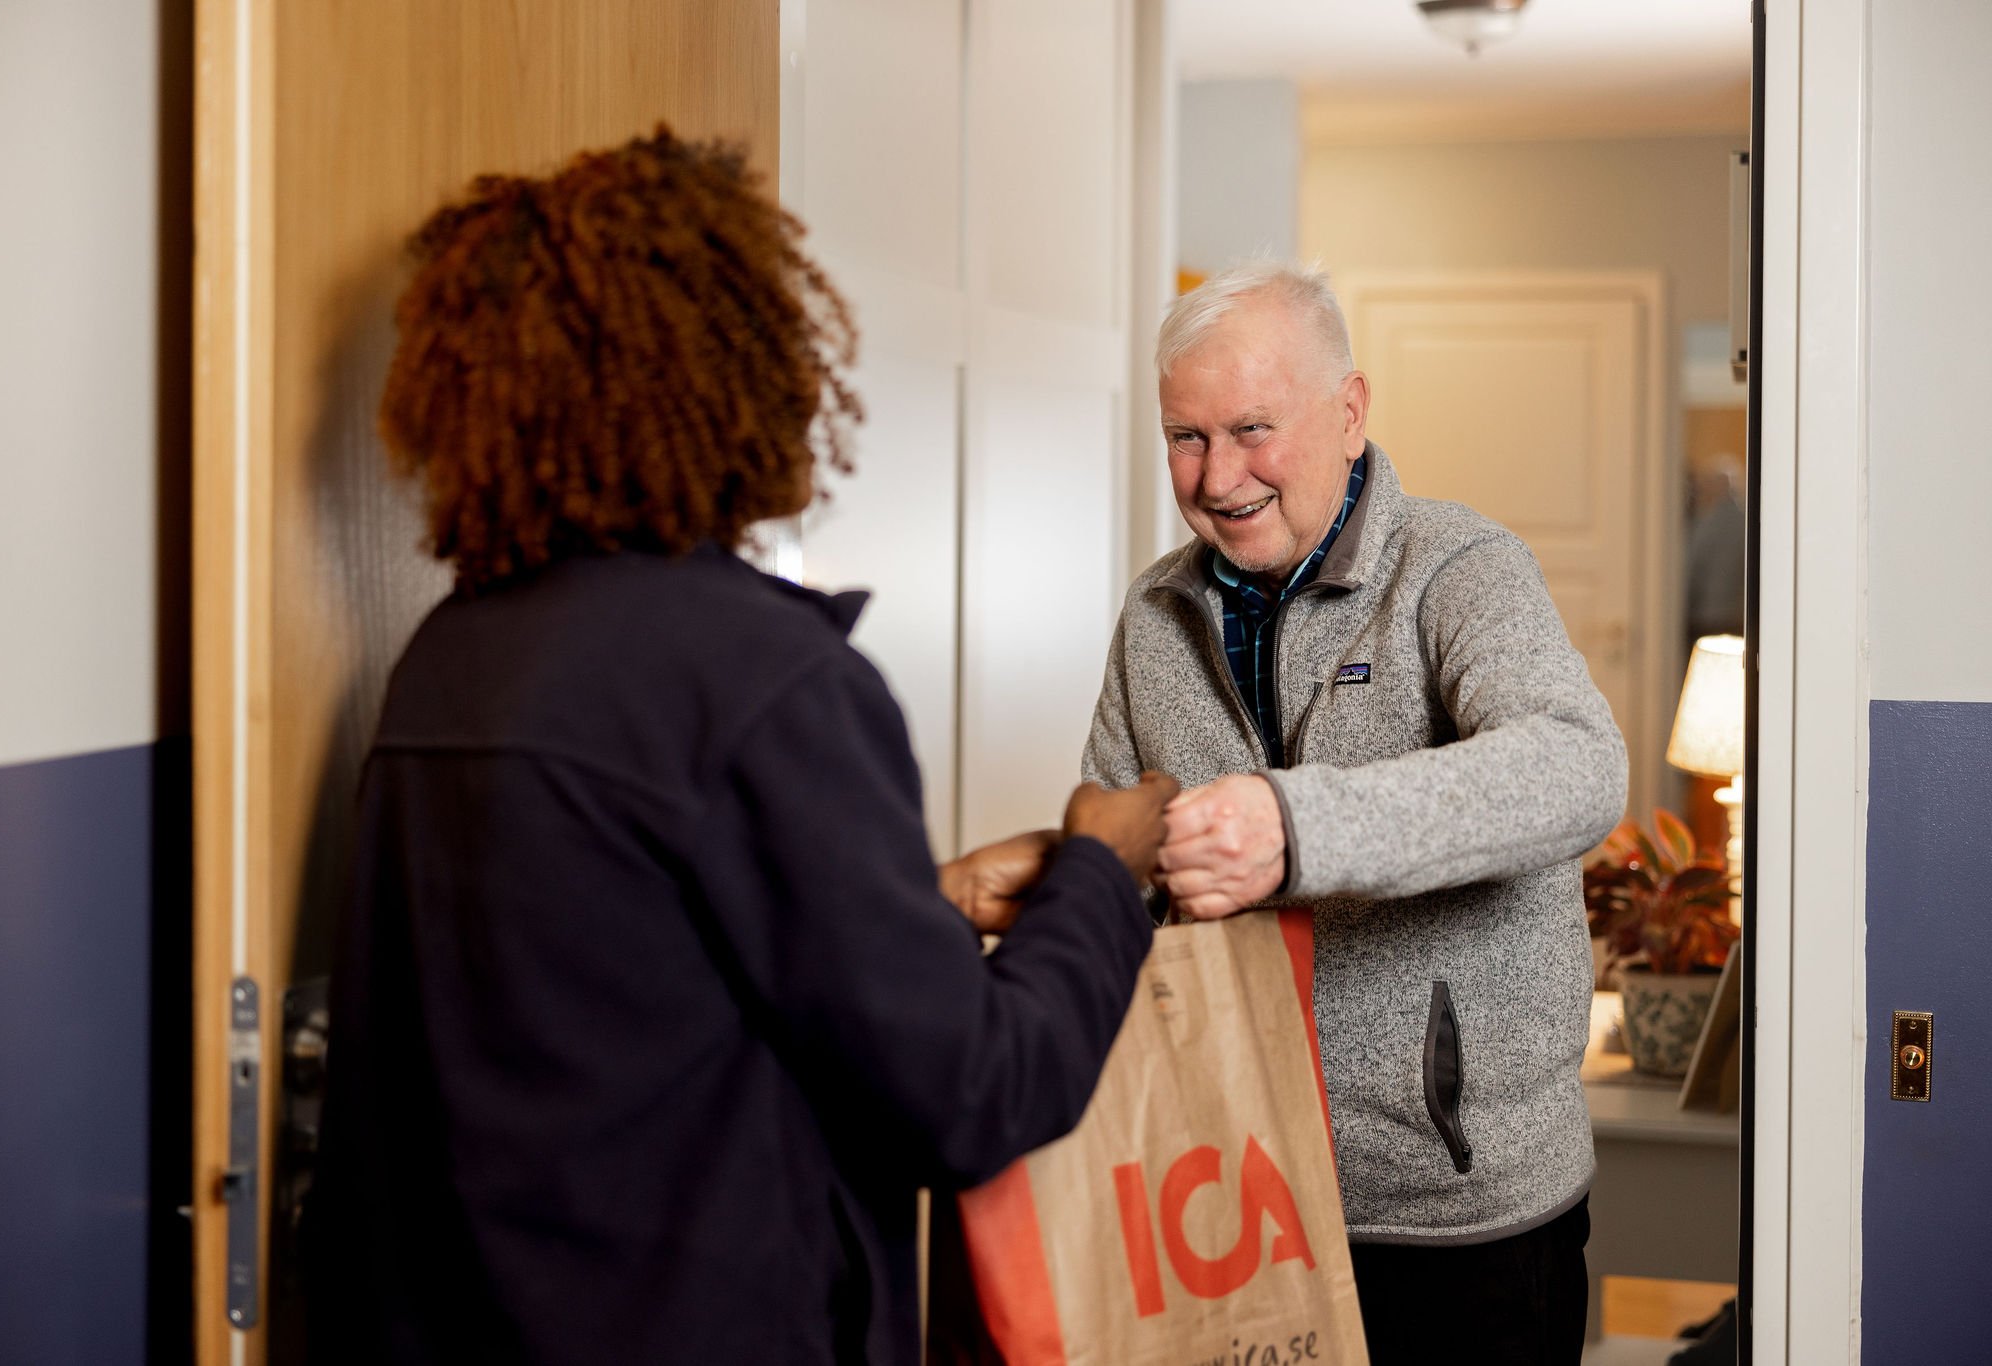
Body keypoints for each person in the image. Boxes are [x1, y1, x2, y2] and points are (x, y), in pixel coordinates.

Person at [308, 129, 1179, 1365]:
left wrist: (919, 906)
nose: (807, 376)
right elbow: (973, 1093)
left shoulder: (449, 658)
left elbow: (607, 979)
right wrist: (1098, 869)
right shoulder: (762, 677)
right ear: (716, 368)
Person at [1083, 260, 1628, 1364]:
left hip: (1457, 1221)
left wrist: (1294, 829)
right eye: (1185, 437)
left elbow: (1576, 767)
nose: (1217, 475)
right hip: (1229, 1202)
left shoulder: (1459, 567)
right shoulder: (1153, 610)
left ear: (1348, 411)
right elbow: (1113, 831)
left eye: (1251, 429)